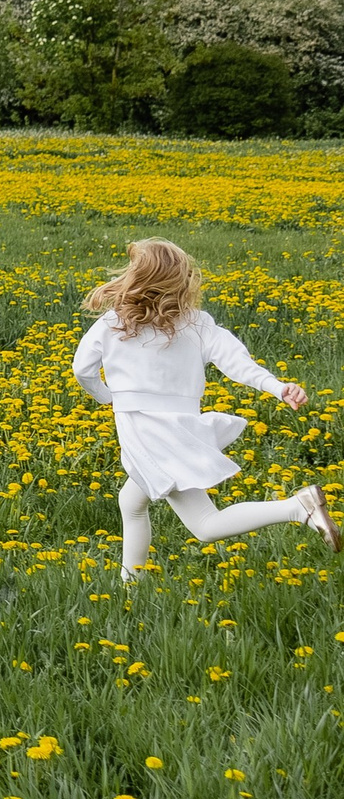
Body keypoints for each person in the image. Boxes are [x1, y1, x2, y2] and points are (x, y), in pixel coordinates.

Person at [72, 238, 336, 581]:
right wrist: (276, 386)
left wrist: (108, 397)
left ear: (137, 277)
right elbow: (237, 363)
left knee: (206, 525)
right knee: (131, 502)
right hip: (180, 427)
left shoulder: (113, 323)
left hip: (148, 434)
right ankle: (131, 586)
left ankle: (297, 507)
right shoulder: (197, 323)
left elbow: (82, 370)